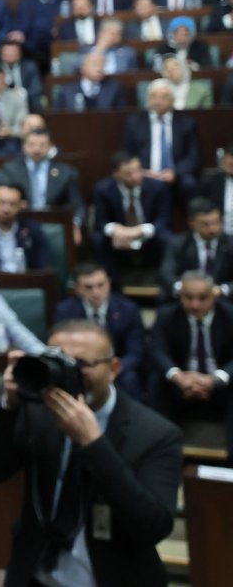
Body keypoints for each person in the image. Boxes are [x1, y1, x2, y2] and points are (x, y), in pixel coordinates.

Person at [0, 320, 182, 587]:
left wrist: (94, 444)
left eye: (81, 364)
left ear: (113, 368)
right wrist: (8, 406)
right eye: (59, 361)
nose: (68, 373)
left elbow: (154, 526)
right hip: (35, 575)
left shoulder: (156, 433)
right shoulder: (38, 410)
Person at [147, 271, 233, 446]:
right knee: (156, 381)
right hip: (181, 384)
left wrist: (215, 379)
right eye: (188, 297)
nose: (195, 304)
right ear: (180, 296)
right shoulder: (167, 315)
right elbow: (157, 350)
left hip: (220, 385)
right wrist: (178, 377)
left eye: (202, 298)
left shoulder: (230, 315)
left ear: (214, 296)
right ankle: (160, 448)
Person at [55, 263, 146, 399]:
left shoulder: (128, 309)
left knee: (130, 379)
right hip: (79, 366)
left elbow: (135, 352)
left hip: (117, 366)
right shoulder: (65, 311)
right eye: (88, 287)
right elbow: (61, 350)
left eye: (100, 285)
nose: (96, 292)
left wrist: (110, 369)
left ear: (109, 283)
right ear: (77, 289)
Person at [90, 152, 171, 278]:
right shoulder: (103, 189)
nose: (136, 176)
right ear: (116, 174)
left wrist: (140, 230)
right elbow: (101, 221)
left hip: (148, 235)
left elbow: (163, 219)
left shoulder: (157, 187)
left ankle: (162, 281)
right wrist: (115, 230)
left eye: (138, 170)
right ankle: (112, 284)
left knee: (166, 238)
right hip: (119, 236)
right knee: (98, 240)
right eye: (129, 174)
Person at [120, 80, 202, 200]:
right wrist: (141, 171)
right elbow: (126, 153)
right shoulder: (134, 123)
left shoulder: (186, 123)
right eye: (154, 96)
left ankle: (190, 218)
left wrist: (174, 172)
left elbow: (194, 156)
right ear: (147, 99)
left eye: (164, 97)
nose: (158, 101)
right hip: (144, 173)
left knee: (189, 183)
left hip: (176, 175)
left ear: (173, 100)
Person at [0, 128, 84, 218]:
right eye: (32, 145)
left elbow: (78, 206)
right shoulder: (11, 169)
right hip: (21, 219)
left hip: (54, 221)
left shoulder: (66, 172)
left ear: (51, 146)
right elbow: (2, 199)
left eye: (42, 145)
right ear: (23, 146)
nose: (37, 150)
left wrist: (75, 224)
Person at [158, 198, 233, 299]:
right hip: (187, 298)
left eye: (216, 222)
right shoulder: (178, 244)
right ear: (191, 223)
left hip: (222, 298)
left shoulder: (230, 243)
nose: (213, 229)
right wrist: (186, 290)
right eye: (206, 224)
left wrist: (223, 289)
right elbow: (166, 274)